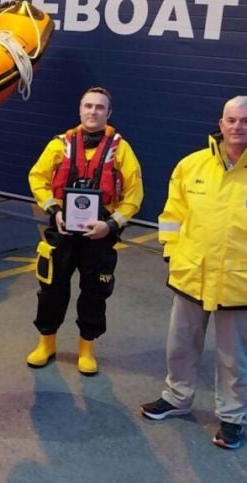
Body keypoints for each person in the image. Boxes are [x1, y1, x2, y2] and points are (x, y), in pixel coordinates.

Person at [140, 96, 247, 450]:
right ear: (220, 123)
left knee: (234, 358)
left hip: (239, 282)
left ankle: (232, 417)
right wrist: (172, 251)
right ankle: (176, 397)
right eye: (231, 120)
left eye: (244, 121)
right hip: (191, 273)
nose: (237, 127)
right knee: (180, 345)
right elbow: (173, 213)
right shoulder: (191, 165)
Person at [26, 86, 143, 376]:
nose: (93, 112)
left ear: (109, 113)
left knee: (95, 292)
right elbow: (37, 178)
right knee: (51, 288)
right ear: (80, 109)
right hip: (62, 230)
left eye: (99, 107)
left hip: (99, 234)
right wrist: (54, 210)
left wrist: (112, 224)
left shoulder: (121, 149)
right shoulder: (59, 144)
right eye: (88, 106)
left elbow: (134, 195)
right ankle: (46, 343)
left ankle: (86, 349)